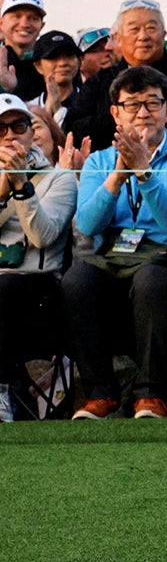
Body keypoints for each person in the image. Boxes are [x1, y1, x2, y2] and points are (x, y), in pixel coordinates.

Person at [62, 66, 167, 418]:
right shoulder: (99, 160)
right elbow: (86, 223)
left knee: (152, 280)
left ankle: (151, 393)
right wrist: (118, 176)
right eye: (132, 105)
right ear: (115, 112)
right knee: (76, 281)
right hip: (113, 253)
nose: (143, 112)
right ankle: (100, 391)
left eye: (152, 103)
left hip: (165, 254)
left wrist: (144, 174)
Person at [0, 94, 77, 420]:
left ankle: (2, 391)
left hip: (38, 287)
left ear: (32, 133)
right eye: (0, 129)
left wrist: (22, 188)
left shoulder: (59, 178)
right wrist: (4, 187)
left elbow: (43, 236)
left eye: (18, 126)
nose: (10, 136)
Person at [64, 0, 167, 153]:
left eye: (151, 28)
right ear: (118, 37)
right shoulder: (99, 82)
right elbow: (74, 130)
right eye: (134, 29)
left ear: (163, 34)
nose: (143, 36)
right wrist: (121, 121)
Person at [25, 30, 82, 139]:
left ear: (79, 61)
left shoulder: (91, 102)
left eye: (69, 55)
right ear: (38, 66)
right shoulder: (29, 110)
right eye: (53, 57)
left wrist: (57, 109)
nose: (63, 63)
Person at [1, 0, 49, 103]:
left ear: (42, 26)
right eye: (16, 16)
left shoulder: (51, 61)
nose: (24, 24)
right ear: (1, 23)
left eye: (33, 18)